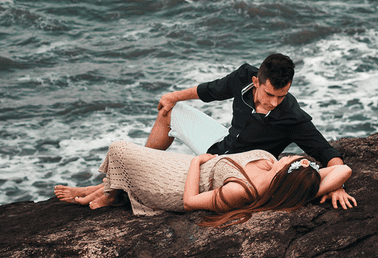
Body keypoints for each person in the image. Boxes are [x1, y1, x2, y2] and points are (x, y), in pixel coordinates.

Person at [150, 53, 355, 208]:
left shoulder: (292, 117)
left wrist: (337, 186)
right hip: (219, 145)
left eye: (281, 96)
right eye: (269, 94)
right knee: (168, 112)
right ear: (256, 81)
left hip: (239, 173)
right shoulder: (243, 77)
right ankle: (148, 156)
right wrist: (174, 96)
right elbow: (211, 90)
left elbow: (327, 152)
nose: (274, 102)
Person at [55, 140, 352, 227]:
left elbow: (188, 203)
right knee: (127, 153)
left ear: (284, 175)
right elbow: (343, 170)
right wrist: (331, 186)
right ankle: (108, 192)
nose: (294, 157)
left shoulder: (241, 192)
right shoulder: (282, 173)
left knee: (119, 148)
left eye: (293, 161)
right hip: (191, 164)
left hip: (181, 181)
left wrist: (196, 161)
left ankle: (110, 194)